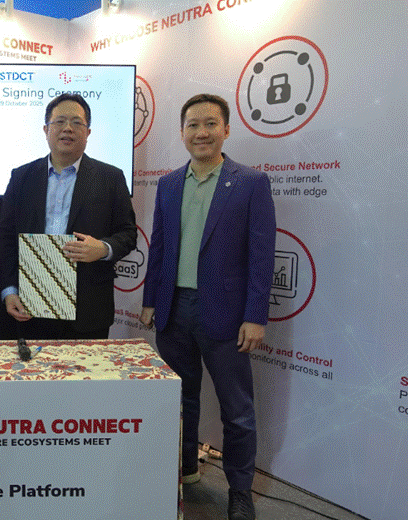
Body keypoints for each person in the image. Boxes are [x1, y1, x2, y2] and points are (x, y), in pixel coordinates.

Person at [139, 94, 276, 520]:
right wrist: (149, 300)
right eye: (193, 125)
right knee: (180, 399)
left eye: (210, 124)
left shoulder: (250, 182)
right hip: (173, 310)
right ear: (182, 132)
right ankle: (185, 469)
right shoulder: (168, 184)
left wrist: (255, 316)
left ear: (226, 129)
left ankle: (240, 492)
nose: (201, 132)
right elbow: (159, 247)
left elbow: (262, 256)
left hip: (227, 315)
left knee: (237, 411)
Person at [0, 93, 137, 339]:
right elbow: (6, 238)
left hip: (89, 309)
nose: (68, 129)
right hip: (30, 304)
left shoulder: (110, 177)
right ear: (46, 130)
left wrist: (103, 248)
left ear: (88, 132)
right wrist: (9, 290)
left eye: (76, 122)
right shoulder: (22, 177)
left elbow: (128, 234)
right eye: (59, 121)